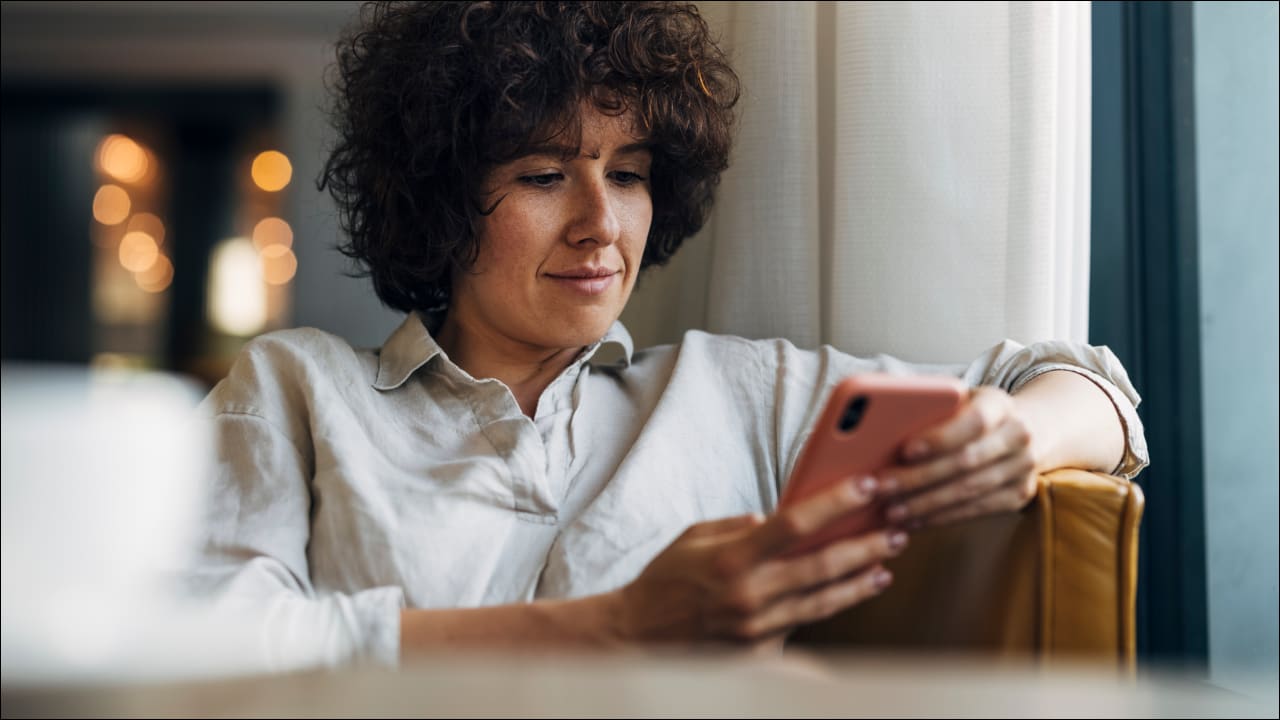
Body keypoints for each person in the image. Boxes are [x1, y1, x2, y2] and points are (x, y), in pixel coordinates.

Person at [190, 1, 1147, 670]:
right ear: (440, 198)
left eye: (632, 173)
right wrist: (616, 629)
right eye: (541, 174)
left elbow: (1085, 383)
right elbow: (209, 645)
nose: (602, 223)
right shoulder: (300, 389)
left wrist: (1019, 436)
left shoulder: (734, 392)